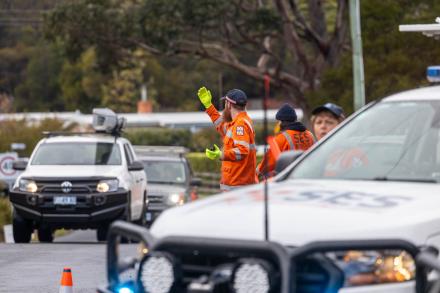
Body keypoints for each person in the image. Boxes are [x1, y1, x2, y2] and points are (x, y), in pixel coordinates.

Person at [197, 86, 257, 191]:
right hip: (237, 186)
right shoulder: (237, 123)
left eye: (225, 103)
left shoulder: (240, 124)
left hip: (238, 187)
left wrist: (221, 154)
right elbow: (221, 125)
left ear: (229, 104)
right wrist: (209, 106)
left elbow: (242, 150)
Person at [257, 103, 315, 178]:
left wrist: (257, 171)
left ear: (281, 121)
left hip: (290, 178)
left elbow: (268, 163)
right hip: (309, 176)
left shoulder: (280, 138)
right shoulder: (310, 135)